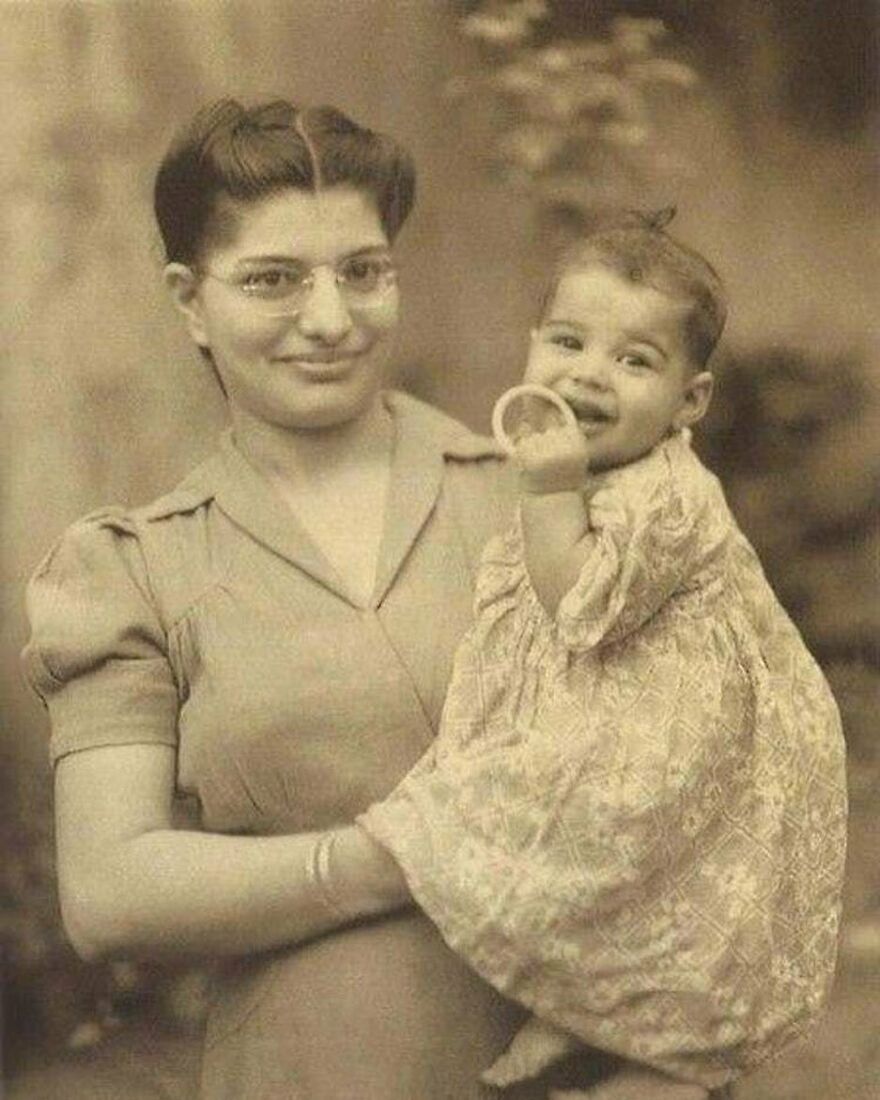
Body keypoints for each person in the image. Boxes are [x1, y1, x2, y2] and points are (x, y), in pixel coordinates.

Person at [20, 100, 713, 1100]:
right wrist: (390, 859)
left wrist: (670, 1067)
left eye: (362, 270)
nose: (331, 318)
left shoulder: (553, 499)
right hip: (311, 1070)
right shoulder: (133, 565)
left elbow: (700, 783)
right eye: (273, 279)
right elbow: (110, 892)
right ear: (188, 300)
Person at [359, 211, 848, 1096]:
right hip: (633, 707)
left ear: (688, 401)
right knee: (595, 861)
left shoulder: (664, 494)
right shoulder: (604, 472)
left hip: (681, 740)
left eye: (634, 360)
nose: (590, 374)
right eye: (570, 342)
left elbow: (580, 605)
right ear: (532, 347)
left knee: (605, 850)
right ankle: (579, 1013)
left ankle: (634, 1044)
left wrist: (547, 491)